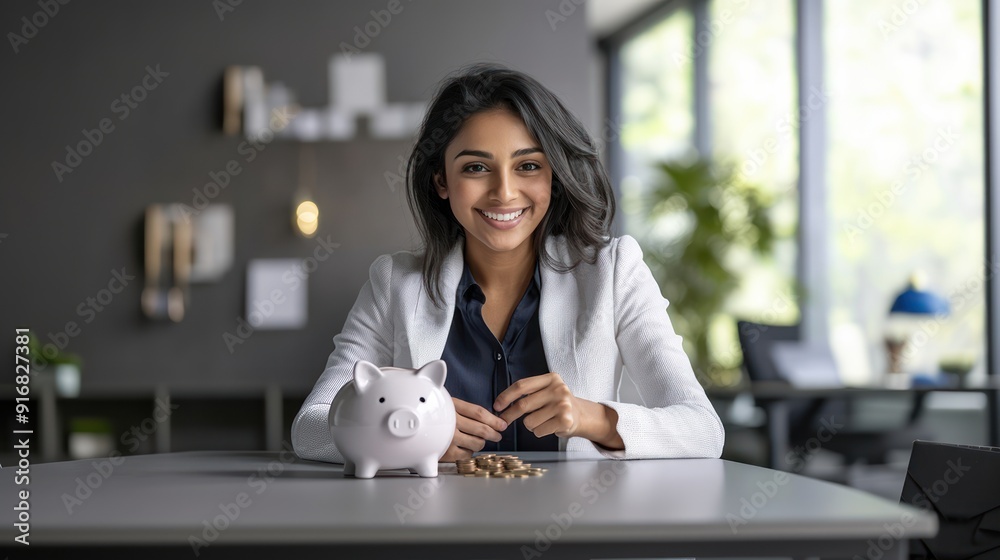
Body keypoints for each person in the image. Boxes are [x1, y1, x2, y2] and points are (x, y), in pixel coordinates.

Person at [291, 63, 724, 462]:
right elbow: (310, 429)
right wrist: (410, 435)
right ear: (441, 180)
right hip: (435, 538)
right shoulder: (395, 284)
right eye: (476, 167)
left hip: (576, 537)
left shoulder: (614, 271)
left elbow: (704, 431)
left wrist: (588, 417)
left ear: (554, 176)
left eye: (528, 166)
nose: (504, 192)